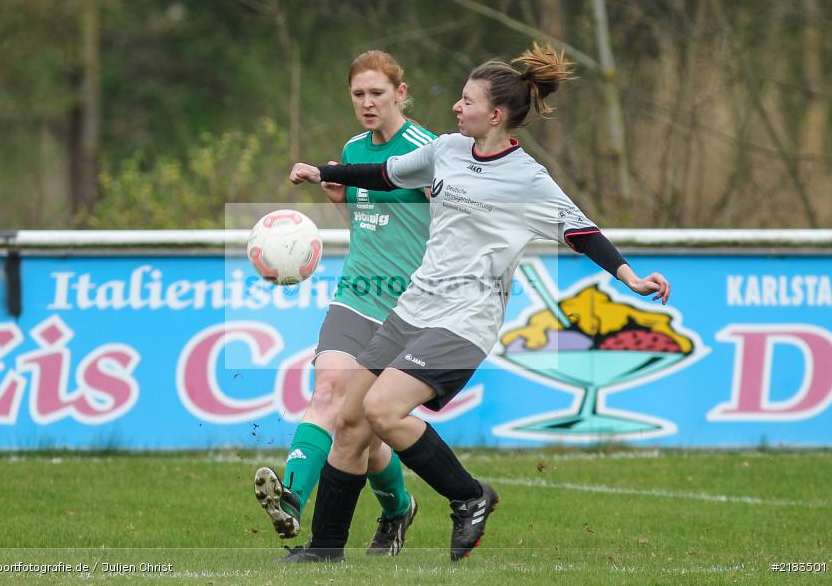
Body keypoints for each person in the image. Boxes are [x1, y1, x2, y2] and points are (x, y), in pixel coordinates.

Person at [285, 42, 671, 562]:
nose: (455, 108)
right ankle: (325, 550)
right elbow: (385, 174)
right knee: (352, 420)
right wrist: (328, 172)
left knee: (382, 409)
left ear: (495, 115)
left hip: (466, 318)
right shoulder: (446, 150)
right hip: (414, 305)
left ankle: (468, 496)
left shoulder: (528, 179)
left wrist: (629, 276)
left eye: (466, 101)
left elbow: (582, 233)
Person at [254, 50, 435, 558]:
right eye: (358, 94)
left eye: (378, 92)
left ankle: (398, 508)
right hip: (356, 293)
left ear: (401, 93)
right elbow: (369, 224)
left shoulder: (426, 151)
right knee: (330, 390)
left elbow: (447, 226)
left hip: (407, 307)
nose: (367, 103)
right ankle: (291, 497)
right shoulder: (353, 149)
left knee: (365, 427)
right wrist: (341, 201)